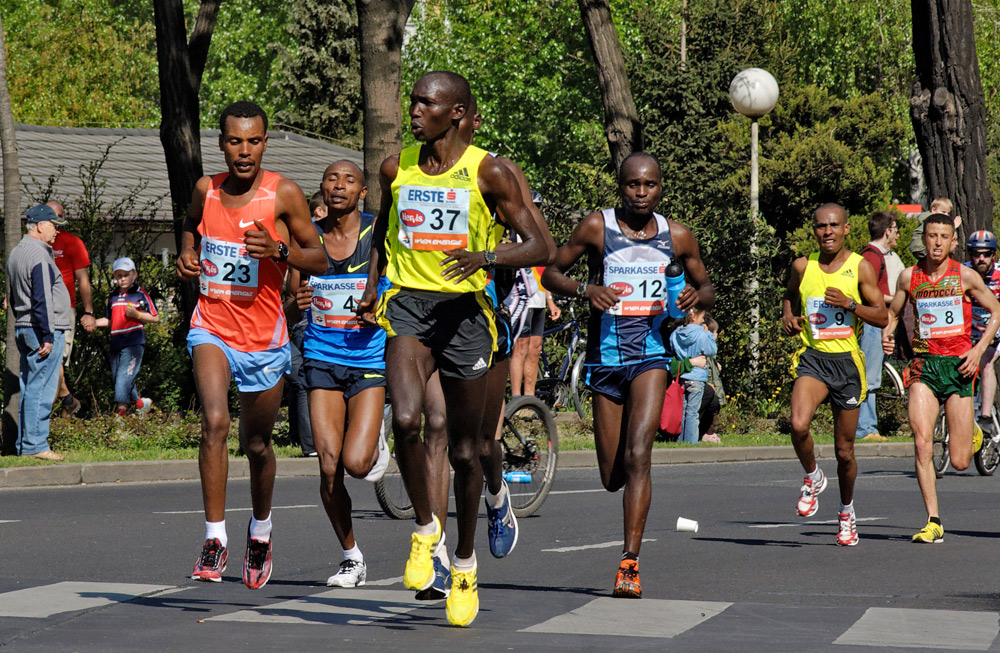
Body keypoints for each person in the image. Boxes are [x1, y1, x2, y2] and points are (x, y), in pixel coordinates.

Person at [356, 71, 551, 627]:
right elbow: (382, 230)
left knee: (467, 451)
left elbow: (542, 244)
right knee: (409, 421)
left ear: (458, 112)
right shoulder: (397, 167)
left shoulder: (489, 171)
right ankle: (425, 532)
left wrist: (486, 259)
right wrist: (373, 283)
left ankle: (464, 563)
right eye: (413, 99)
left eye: (427, 103)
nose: (414, 110)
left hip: (468, 314)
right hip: (410, 307)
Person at [543, 152, 714, 598]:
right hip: (605, 360)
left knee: (640, 454)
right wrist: (587, 289)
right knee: (611, 474)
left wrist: (697, 294)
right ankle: (624, 496)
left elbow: (708, 286)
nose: (641, 193)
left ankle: (629, 562)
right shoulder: (596, 227)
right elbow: (551, 273)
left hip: (652, 357)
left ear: (660, 187)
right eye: (632, 185)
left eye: (650, 185)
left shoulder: (677, 235)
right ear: (620, 186)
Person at [176, 101, 326, 589]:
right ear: (221, 143)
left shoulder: (282, 194)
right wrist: (186, 251)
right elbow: (188, 221)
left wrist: (280, 251)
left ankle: (259, 530)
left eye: (254, 141)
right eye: (235, 141)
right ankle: (214, 538)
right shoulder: (207, 189)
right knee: (215, 422)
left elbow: (321, 259)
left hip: (263, 338)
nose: (244, 151)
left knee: (257, 444)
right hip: (212, 325)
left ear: (265, 142)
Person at [285, 159, 390, 588]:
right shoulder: (308, 239)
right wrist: (301, 302)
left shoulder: (378, 234)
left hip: (368, 360)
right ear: (323, 188)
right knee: (329, 467)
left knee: (357, 464)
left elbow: (399, 289)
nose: (339, 186)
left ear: (362, 192)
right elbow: (290, 303)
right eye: (331, 179)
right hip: (321, 357)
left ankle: (377, 433)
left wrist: (377, 309)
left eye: (349, 180)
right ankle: (352, 558)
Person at [882, 213, 1000, 543]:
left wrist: (977, 352)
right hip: (924, 366)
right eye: (931, 235)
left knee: (961, 461)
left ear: (952, 242)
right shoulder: (909, 277)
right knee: (922, 442)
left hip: (958, 367)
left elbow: (996, 311)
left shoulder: (964, 276)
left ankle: (974, 433)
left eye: (943, 237)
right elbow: (893, 313)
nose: (936, 242)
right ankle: (933, 520)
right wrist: (888, 333)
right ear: (925, 237)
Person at [782, 203, 887, 547]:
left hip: (847, 364)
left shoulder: (861, 268)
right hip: (813, 359)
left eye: (833, 226)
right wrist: (788, 318)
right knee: (798, 424)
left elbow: (882, 316)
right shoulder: (802, 265)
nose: (827, 232)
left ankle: (846, 513)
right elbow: (789, 297)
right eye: (820, 226)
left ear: (845, 229)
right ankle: (812, 477)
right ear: (814, 230)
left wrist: (850, 305)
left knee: (844, 452)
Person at [7, 204, 73, 461]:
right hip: (43, 328)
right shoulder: (40, 255)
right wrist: (47, 334)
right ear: (40, 225)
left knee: (30, 386)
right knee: (42, 389)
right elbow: (42, 297)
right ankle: (36, 446)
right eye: (54, 226)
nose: (57, 231)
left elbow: (11, 296)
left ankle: (26, 445)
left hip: (24, 326)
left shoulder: (16, 252)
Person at [48, 200, 97, 418]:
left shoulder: (72, 243)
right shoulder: (36, 242)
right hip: (39, 308)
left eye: (58, 216)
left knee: (56, 360)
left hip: (64, 308)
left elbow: (83, 279)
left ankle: (61, 410)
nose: (55, 222)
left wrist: (89, 312)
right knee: (46, 360)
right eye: (50, 216)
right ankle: (68, 401)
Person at [92, 257, 158, 417]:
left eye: (126, 274)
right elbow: (110, 320)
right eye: (118, 275)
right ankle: (142, 404)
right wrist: (92, 323)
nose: (122, 279)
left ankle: (120, 416)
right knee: (119, 379)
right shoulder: (113, 296)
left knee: (123, 379)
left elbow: (155, 317)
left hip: (134, 343)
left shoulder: (140, 294)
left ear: (134, 275)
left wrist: (137, 314)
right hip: (116, 343)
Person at [856, 211, 898, 442]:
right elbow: (870, 293)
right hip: (870, 323)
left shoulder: (875, 255)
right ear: (887, 231)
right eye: (894, 229)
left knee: (871, 375)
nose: (896, 234)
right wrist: (897, 297)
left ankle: (867, 426)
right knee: (869, 376)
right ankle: (866, 428)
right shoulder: (872, 257)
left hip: (874, 322)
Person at [963, 230, 1000, 435]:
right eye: (976, 254)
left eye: (986, 254)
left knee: (985, 361)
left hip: (997, 331)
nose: (981, 258)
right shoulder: (963, 272)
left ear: (993, 255)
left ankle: (985, 417)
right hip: (971, 332)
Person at [507, 268, 560, 396]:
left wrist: (550, 301)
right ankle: (516, 399)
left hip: (539, 300)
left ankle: (529, 398)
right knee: (521, 347)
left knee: (535, 349)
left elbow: (544, 271)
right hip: (522, 299)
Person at [670, 308, 718, 444]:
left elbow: (672, 347)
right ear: (693, 316)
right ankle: (691, 442)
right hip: (697, 377)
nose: (703, 320)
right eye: (701, 316)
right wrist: (709, 334)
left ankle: (680, 440)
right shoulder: (702, 334)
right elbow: (711, 350)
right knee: (692, 412)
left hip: (683, 377)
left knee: (683, 411)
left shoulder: (675, 334)